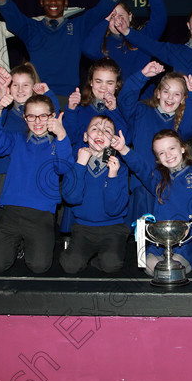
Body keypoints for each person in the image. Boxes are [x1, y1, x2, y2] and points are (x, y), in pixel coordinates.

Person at [0, 0, 132, 102]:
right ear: (41, 2)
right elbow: (12, 14)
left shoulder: (77, 26)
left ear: (65, 2)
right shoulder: (31, 29)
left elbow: (101, 9)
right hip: (38, 96)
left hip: (68, 97)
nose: (53, 1)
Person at [0, 92, 75, 274]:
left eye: (43, 116)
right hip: (10, 211)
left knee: (39, 266)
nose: (37, 121)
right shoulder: (17, 139)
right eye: (32, 116)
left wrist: (62, 134)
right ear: (25, 118)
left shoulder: (58, 144)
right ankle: (17, 244)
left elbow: (63, 168)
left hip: (41, 214)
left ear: (52, 117)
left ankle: (27, 243)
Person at [111, 126, 192, 277]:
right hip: (160, 242)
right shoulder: (158, 180)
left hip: (189, 241)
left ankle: (188, 262)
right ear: (157, 159)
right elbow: (140, 168)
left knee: (173, 269)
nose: (168, 155)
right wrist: (122, 149)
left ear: (182, 148)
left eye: (172, 148)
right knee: (149, 266)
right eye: (161, 153)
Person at [117, 61, 192, 224]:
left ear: (182, 99)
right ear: (158, 93)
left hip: (172, 188)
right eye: (166, 91)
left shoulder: (180, 125)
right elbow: (124, 101)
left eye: (177, 94)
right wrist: (142, 76)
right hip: (143, 185)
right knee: (144, 237)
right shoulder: (142, 113)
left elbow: (191, 127)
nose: (170, 97)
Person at [59, 115, 130, 274]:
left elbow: (114, 209)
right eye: (95, 128)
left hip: (113, 228)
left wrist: (112, 176)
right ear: (85, 136)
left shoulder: (120, 169)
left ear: (113, 141)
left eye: (107, 131)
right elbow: (71, 198)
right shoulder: (75, 164)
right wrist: (80, 166)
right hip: (84, 228)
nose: (100, 133)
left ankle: (101, 257)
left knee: (111, 264)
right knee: (70, 265)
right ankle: (82, 254)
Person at [82, 0, 167, 83]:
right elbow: (88, 50)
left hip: (142, 98)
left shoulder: (143, 37)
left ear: (130, 16)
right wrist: (106, 19)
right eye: (112, 17)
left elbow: (160, 18)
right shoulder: (103, 43)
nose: (117, 20)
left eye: (121, 15)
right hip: (112, 98)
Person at [62, 57, 129, 152]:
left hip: (111, 163)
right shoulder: (80, 109)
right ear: (91, 82)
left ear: (117, 85)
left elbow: (125, 140)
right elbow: (69, 139)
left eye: (109, 83)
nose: (103, 87)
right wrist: (71, 110)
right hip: (82, 162)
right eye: (98, 81)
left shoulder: (123, 110)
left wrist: (113, 111)